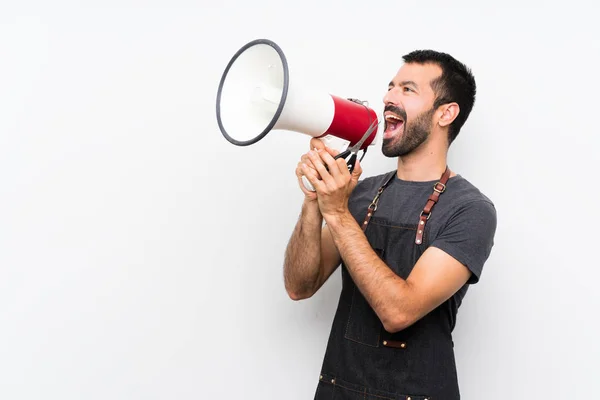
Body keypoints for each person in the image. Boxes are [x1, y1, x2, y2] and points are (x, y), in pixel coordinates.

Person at [283, 49, 497, 400]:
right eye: (390, 87)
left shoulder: (470, 210)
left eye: (407, 89)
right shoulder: (360, 192)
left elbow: (398, 312)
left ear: (446, 113)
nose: (388, 97)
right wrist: (315, 203)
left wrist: (336, 213)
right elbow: (299, 286)